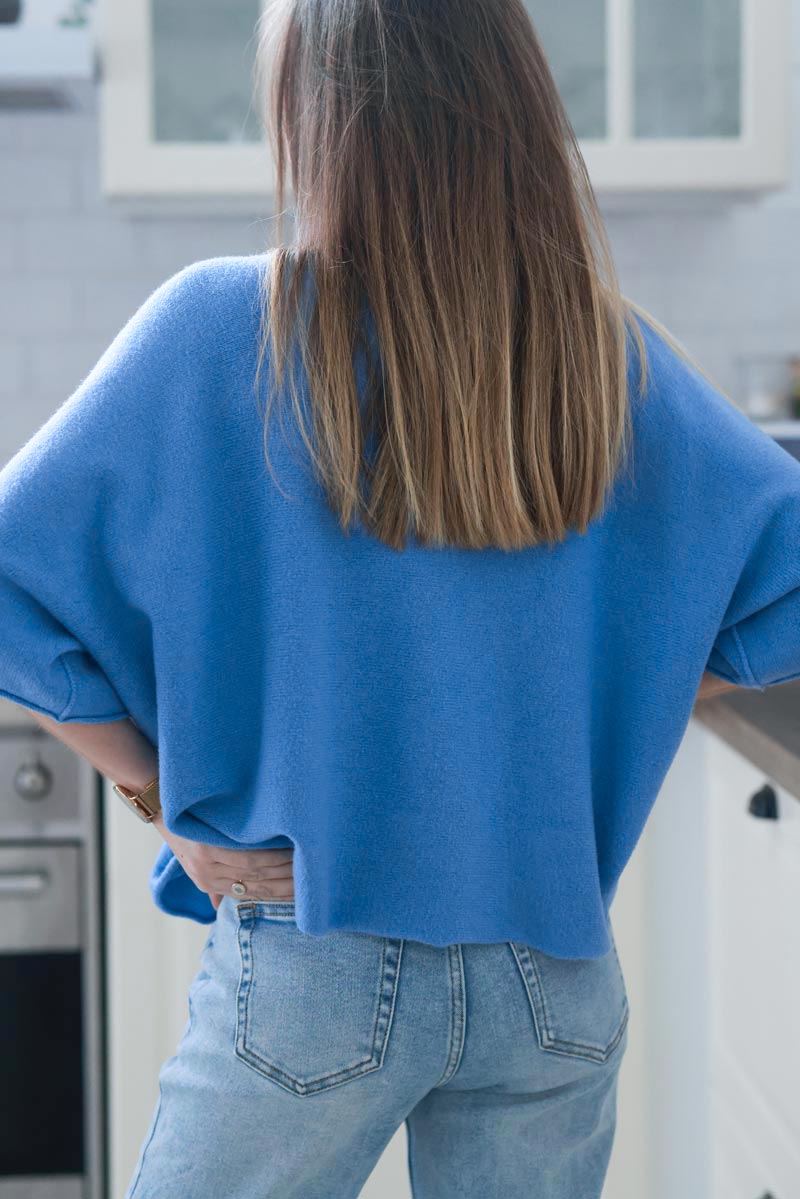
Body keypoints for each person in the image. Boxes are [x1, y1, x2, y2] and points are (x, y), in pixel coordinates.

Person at [1, 1, 799, 1196]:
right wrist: (626, 683)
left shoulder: (221, 326)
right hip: (550, 978)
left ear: (313, 118)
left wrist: (153, 789)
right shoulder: (603, 353)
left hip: (314, 958)